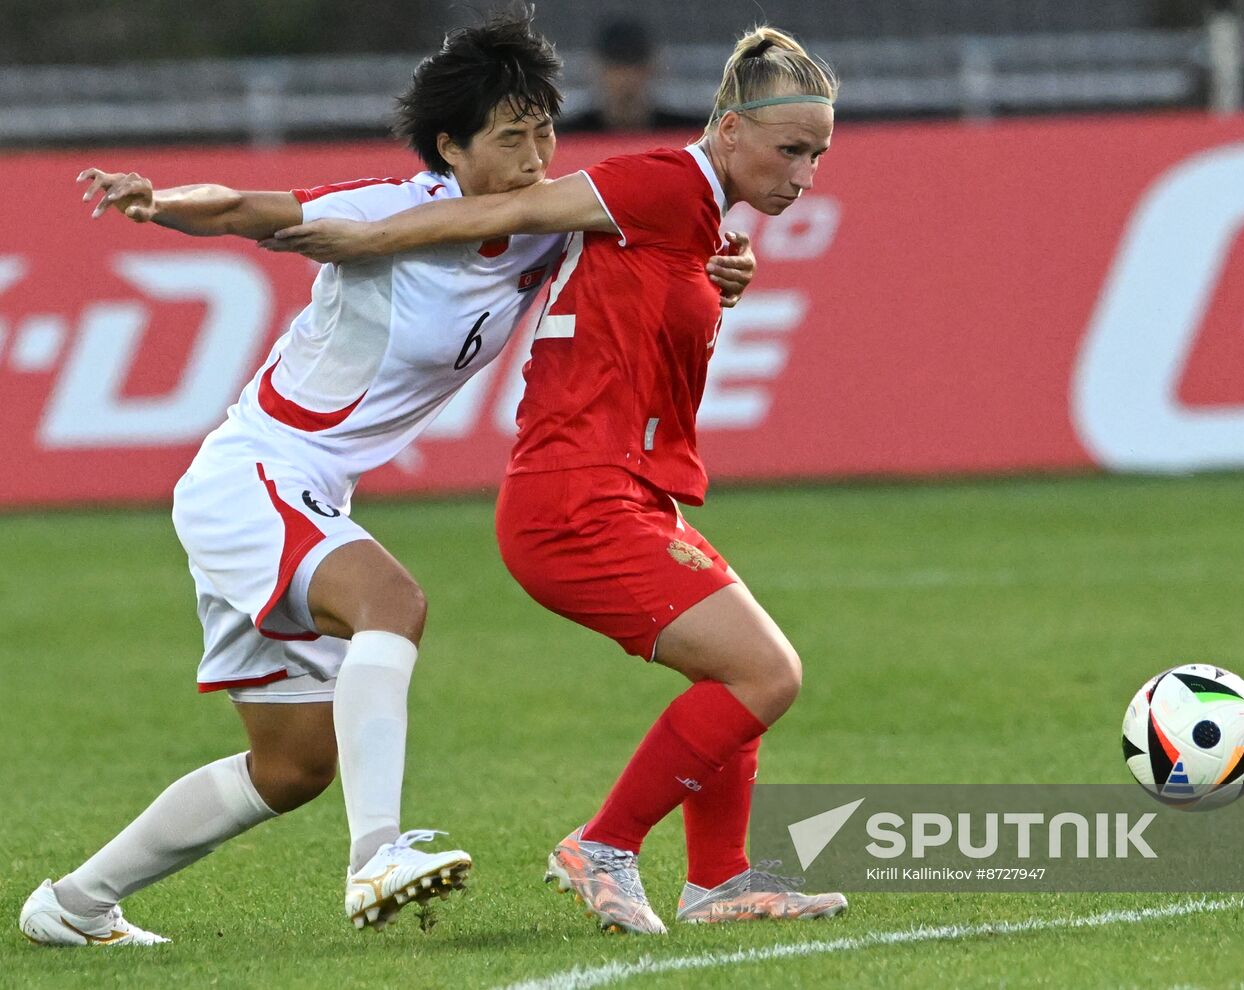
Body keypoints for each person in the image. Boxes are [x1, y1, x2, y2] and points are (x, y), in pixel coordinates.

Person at [19, 10, 756, 947]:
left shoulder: (543, 228)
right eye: (509, 137)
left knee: (290, 769)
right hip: (256, 474)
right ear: (450, 147)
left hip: (308, 495)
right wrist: (158, 200)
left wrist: (723, 269)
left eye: (544, 132)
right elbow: (254, 208)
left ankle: (73, 905)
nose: (535, 157)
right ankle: (377, 855)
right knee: (393, 603)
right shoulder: (382, 208)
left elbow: (658, 257)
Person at [264, 26, 846, 934]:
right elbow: (498, 214)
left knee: (738, 676)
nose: (805, 171)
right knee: (764, 674)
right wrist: (361, 235)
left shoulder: (696, 217)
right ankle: (602, 846)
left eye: (818, 153)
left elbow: (638, 281)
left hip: (623, 491)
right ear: (728, 129)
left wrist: (719, 274)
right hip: (577, 499)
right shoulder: (660, 181)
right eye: (790, 148)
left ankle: (720, 881)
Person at [561, 18, 701, 133]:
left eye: (635, 67)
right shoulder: (567, 135)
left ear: (653, 68)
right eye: (616, 68)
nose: (626, 78)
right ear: (594, 69)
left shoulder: (687, 133)